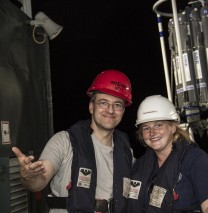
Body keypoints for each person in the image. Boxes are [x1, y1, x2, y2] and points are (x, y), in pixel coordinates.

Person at [12, 69, 134, 213]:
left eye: (117, 105)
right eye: (103, 102)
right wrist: (29, 177)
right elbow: (39, 182)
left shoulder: (126, 151)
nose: (111, 110)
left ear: (123, 112)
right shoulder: (64, 141)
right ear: (91, 106)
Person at [127, 95, 208, 213]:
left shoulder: (194, 159)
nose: (152, 133)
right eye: (146, 128)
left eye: (158, 125)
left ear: (173, 128)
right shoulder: (140, 166)